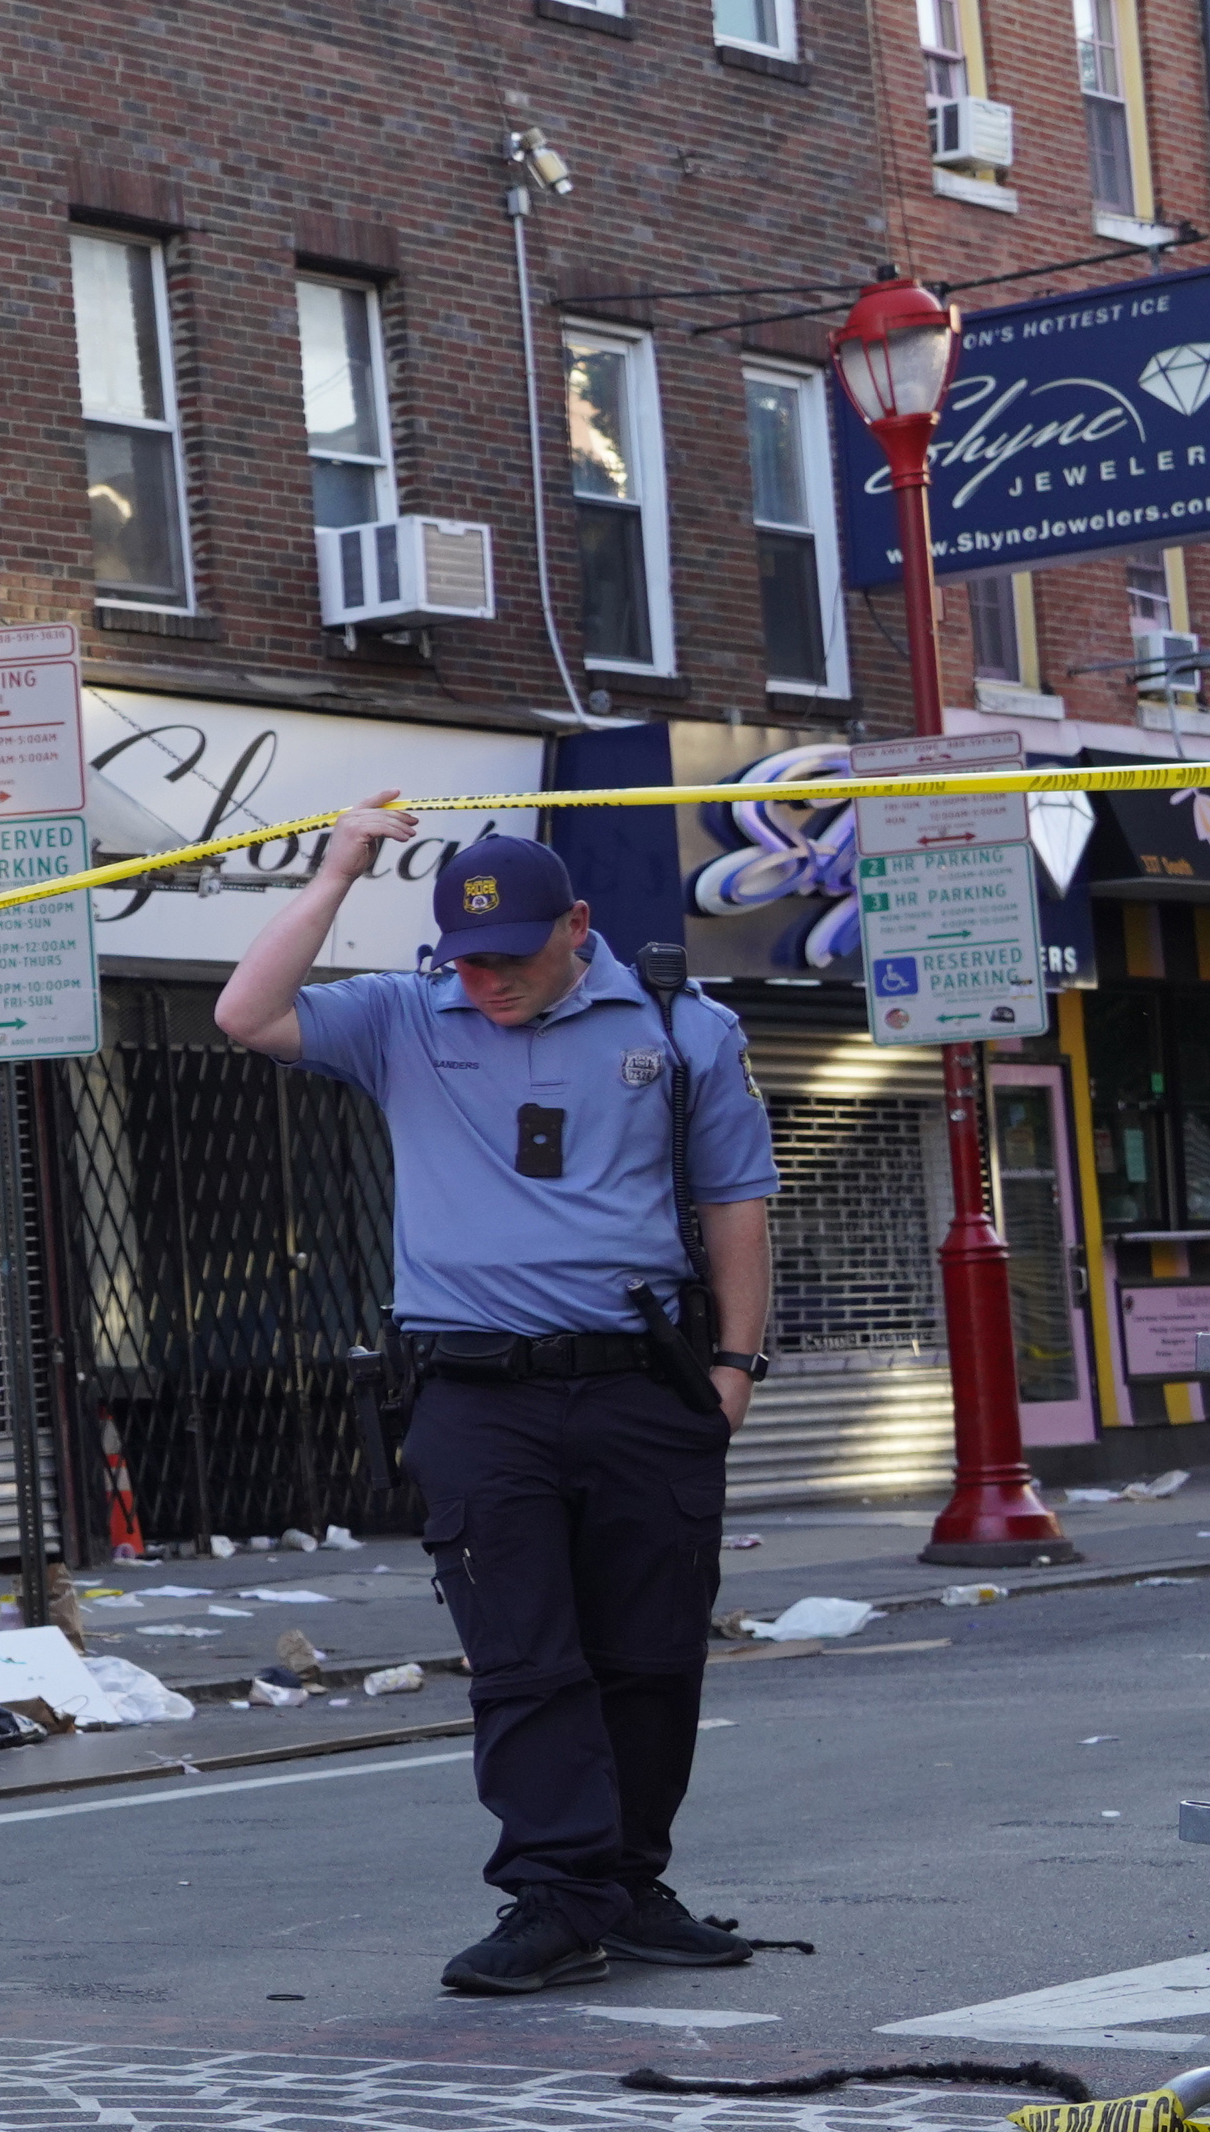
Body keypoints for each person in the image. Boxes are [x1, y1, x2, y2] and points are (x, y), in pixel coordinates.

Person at [212, 811, 782, 1996]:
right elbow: (246, 1011)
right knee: (524, 1657)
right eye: (469, 956)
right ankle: (555, 1894)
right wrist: (336, 872)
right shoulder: (404, 1019)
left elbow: (736, 1203)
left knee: (653, 1652)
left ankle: (626, 1883)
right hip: (477, 1391)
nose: (490, 977)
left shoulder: (681, 1025)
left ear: (579, 926)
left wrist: (734, 1368)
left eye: (514, 953)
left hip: (642, 1382)